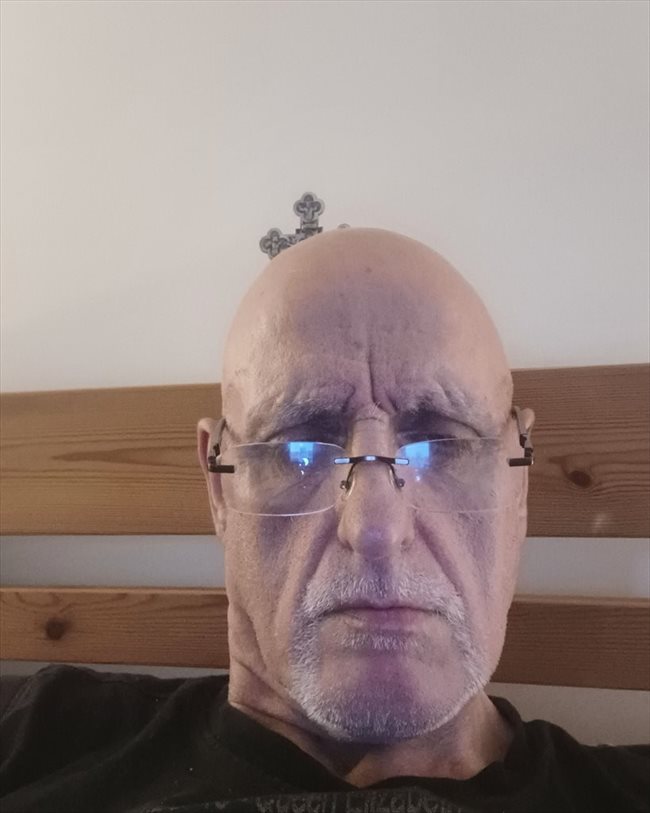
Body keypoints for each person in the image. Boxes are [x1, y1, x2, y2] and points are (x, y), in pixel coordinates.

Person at [0, 228, 647, 812]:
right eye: (297, 448)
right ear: (219, 487)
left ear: (518, 481)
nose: (375, 528)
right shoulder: (40, 736)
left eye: (444, 444)